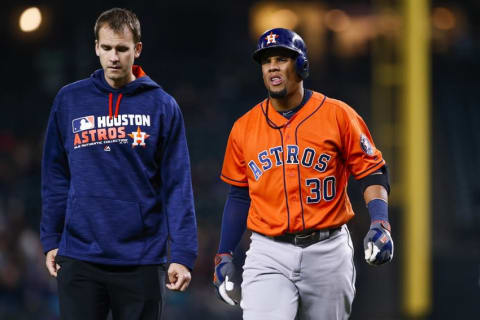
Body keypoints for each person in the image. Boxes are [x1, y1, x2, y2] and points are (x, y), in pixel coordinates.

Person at [213, 28, 393, 319]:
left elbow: (372, 171)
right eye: (266, 60)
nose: (272, 65)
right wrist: (224, 253)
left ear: (301, 65)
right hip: (268, 251)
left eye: (282, 58)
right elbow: (238, 195)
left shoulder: (338, 115)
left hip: (328, 249)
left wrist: (380, 222)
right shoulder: (243, 127)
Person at [40, 8, 198, 320]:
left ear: (137, 49)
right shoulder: (69, 100)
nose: (114, 57)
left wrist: (182, 254)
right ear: (96, 47)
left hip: (141, 258)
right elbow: (55, 175)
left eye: (122, 49)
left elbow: (177, 183)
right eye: (108, 48)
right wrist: (51, 239)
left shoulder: (162, 105)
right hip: (80, 255)